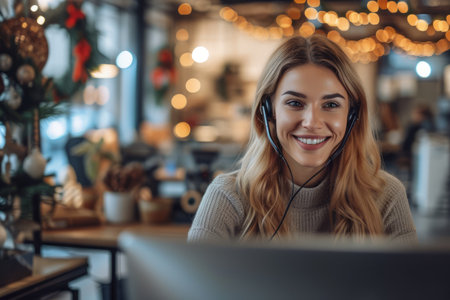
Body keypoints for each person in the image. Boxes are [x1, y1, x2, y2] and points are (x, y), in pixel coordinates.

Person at [188, 35, 417, 243]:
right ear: (268, 111)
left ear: (352, 115)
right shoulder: (228, 198)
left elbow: (413, 288)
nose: (312, 122)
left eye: (331, 105)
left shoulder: (386, 197)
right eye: (295, 103)